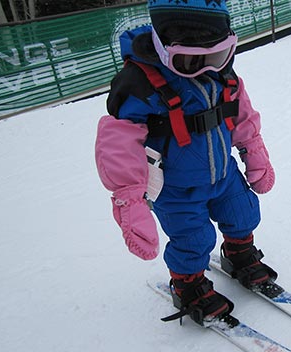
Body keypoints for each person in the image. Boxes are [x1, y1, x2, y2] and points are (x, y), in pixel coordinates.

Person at [94, 0, 276, 325]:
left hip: (224, 173)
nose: (207, 67)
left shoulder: (223, 74)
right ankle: (188, 285)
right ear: (165, 48)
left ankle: (238, 254)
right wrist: (129, 200)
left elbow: (241, 113)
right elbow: (118, 142)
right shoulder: (140, 84)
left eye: (218, 56)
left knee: (243, 212)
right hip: (174, 187)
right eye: (190, 61)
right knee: (193, 240)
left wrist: (254, 151)